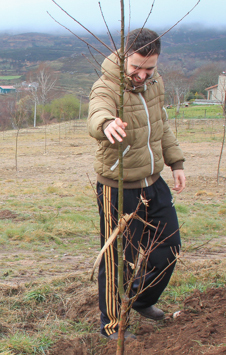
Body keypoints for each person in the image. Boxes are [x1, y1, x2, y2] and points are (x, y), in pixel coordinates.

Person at [87, 28, 186, 339]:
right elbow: (96, 112)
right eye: (136, 68)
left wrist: (176, 162)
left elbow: (161, 125)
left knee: (168, 249)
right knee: (120, 260)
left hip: (153, 183)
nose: (142, 75)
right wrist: (106, 124)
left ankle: (142, 301)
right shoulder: (107, 86)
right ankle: (113, 325)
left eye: (149, 68)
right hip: (119, 187)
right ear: (124, 56)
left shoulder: (155, 85)